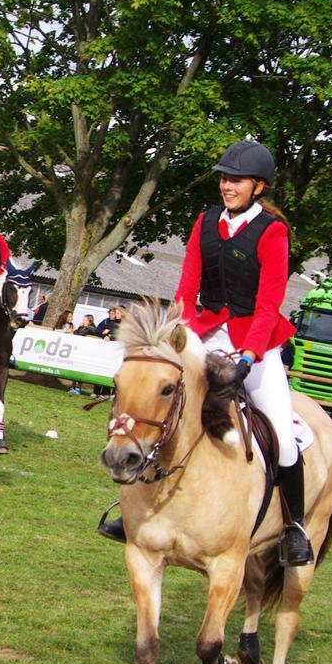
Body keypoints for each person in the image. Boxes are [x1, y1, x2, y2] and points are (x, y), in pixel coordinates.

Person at [99, 140, 313, 567]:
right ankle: (131, 509)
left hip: (256, 341)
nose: (227, 185)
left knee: (286, 441)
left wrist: (249, 357)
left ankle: (294, 528)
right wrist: (176, 329)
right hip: (205, 332)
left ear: (259, 186)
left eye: (236, 180)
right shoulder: (206, 221)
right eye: (224, 178)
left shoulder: (273, 232)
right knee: (162, 405)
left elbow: (270, 305)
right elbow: (187, 284)